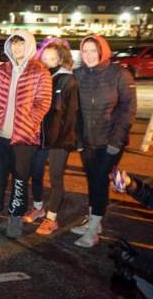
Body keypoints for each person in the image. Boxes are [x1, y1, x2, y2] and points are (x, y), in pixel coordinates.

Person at [0, 30, 52, 239]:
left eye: (21, 44)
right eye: (14, 44)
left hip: (23, 137)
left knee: (20, 178)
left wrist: (29, 122)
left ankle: (16, 216)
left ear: (28, 46)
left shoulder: (40, 71)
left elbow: (43, 103)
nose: (17, 48)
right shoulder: (3, 70)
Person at [71, 34, 136, 248]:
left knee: (99, 181)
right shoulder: (78, 74)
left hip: (110, 141)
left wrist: (116, 142)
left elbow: (128, 110)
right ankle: (94, 222)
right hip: (87, 142)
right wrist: (79, 140)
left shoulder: (119, 74)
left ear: (102, 51)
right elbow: (75, 112)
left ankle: (93, 231)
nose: (89, 55)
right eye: (85, 51)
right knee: (93, 180)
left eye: (93, 50)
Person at [23, 39, 79, 235]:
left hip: (59, 140)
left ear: (61, 59)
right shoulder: (39, 77)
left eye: (52, 58)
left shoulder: (67, 80)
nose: (47, 62)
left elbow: (71, 114)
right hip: (39, 137)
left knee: (56, 178)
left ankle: (52, 218)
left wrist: (69, 141)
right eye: (44, 58)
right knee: (35, 173)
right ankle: (39, 207)